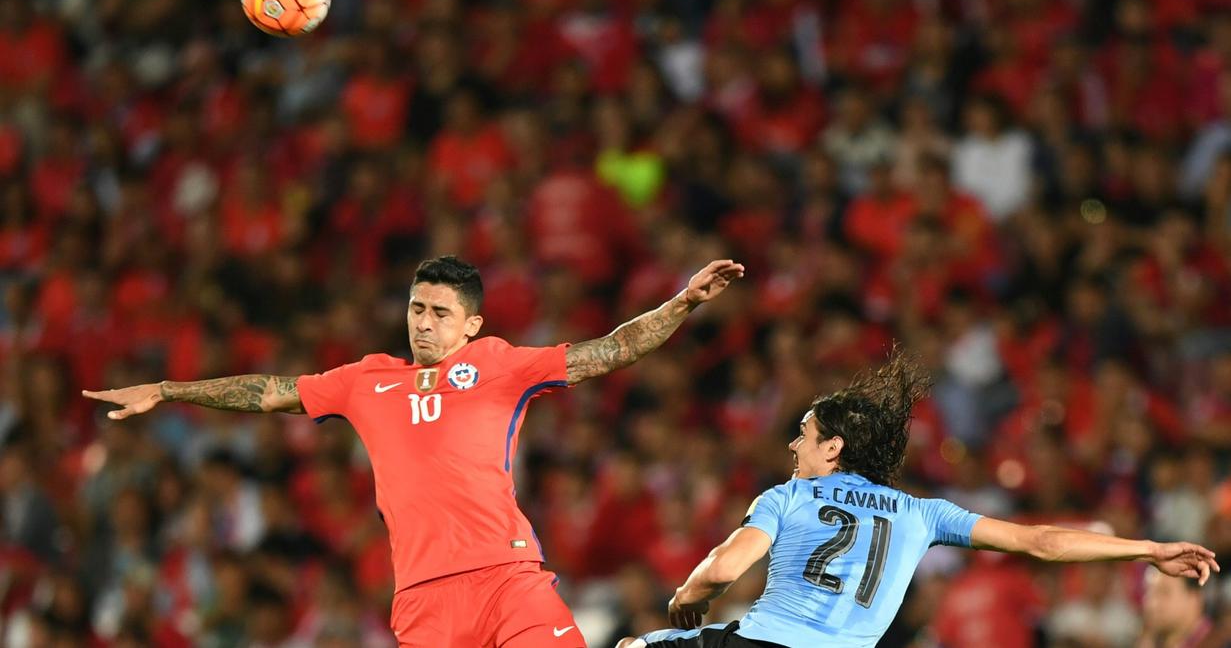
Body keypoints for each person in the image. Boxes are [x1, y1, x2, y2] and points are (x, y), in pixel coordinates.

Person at [84, 254, 745, 648]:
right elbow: (268, 391)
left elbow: (610, 350)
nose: (423, 322)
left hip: (507, 577)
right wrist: (168, 390)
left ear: (472, 325)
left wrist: (681, 302)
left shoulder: (500, 364)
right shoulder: (365, 379)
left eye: (438, 312)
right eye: (416, 308)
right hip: (424, 597)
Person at [617, 350, 1219, 648]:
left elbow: (720, 569)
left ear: (832, 450)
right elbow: (1042, 542)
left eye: (803, 433)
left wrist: (683, 600)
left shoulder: (790, 495)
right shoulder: (924, 512)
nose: (792, 444)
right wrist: (1148, 548)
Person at [1136, 568, 1217, 648]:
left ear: (1195, 598)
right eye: (1148, 591)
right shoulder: (1151, 641)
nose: (1152, 604)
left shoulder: (1220, 641)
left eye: (1164, 592)